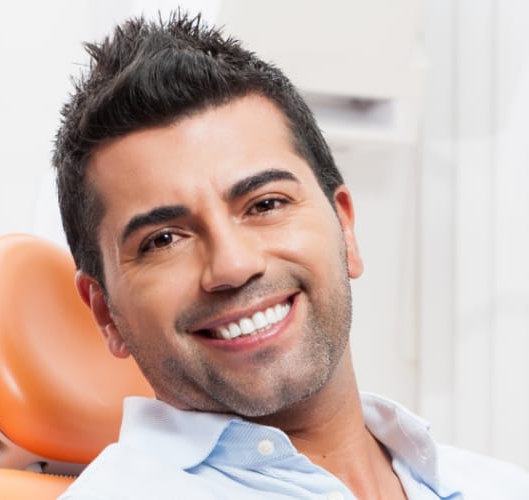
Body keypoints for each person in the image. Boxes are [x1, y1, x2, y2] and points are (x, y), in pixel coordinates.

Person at [53, 12, 529, 500]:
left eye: (265, 204)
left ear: (345, 227)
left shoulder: (499, 485)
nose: (233, 265)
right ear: (105, 312)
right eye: (164, 239)